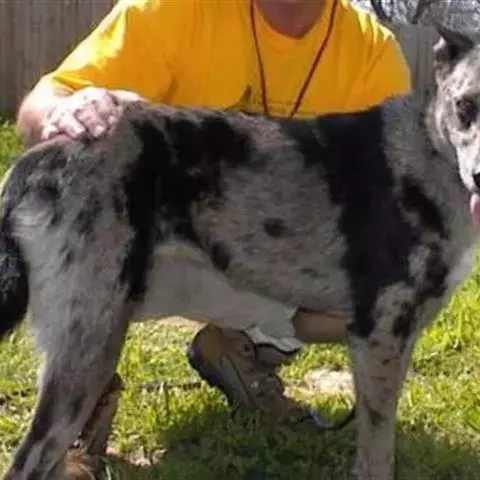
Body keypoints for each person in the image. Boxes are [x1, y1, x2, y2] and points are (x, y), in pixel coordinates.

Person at [15, 0, 411, 425]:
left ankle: (241, 348)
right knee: (56, 210)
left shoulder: (370, 51)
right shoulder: (175, 10)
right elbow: (37, 109)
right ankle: (82, 391)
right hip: (144, 244)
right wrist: (64, 112)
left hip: (261, 253)